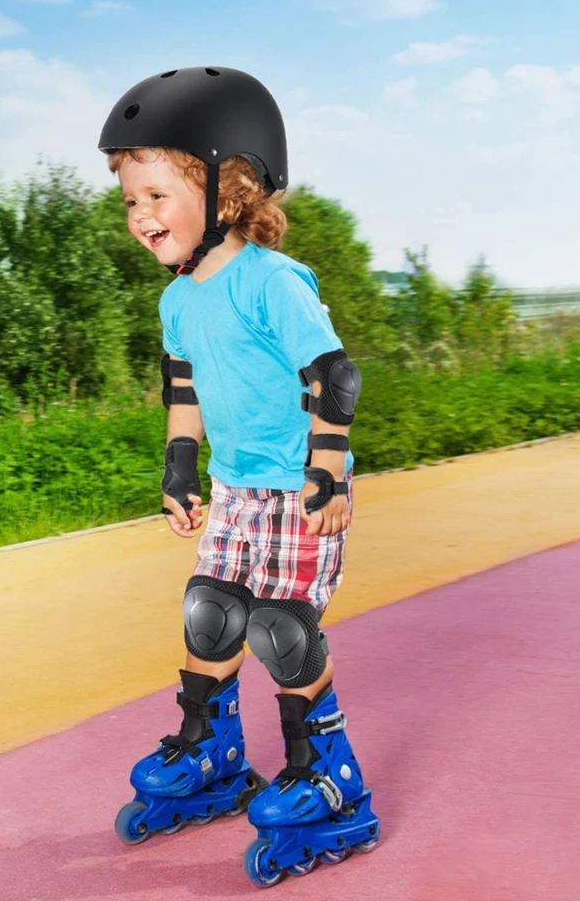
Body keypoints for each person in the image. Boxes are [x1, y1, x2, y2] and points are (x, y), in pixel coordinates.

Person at [99, 66, 378, 886]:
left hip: (297, 488)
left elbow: (335, 375)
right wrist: (180, 467)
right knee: (211, 615)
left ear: (226, 192)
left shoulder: (273, 282)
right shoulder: (179, 299)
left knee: (283, 630)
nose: (140, 216)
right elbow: (183, 385)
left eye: (156, 195)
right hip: (236, 488)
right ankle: (211, 757)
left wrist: (327, 469)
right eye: (130, 201)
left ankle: (328, 776)